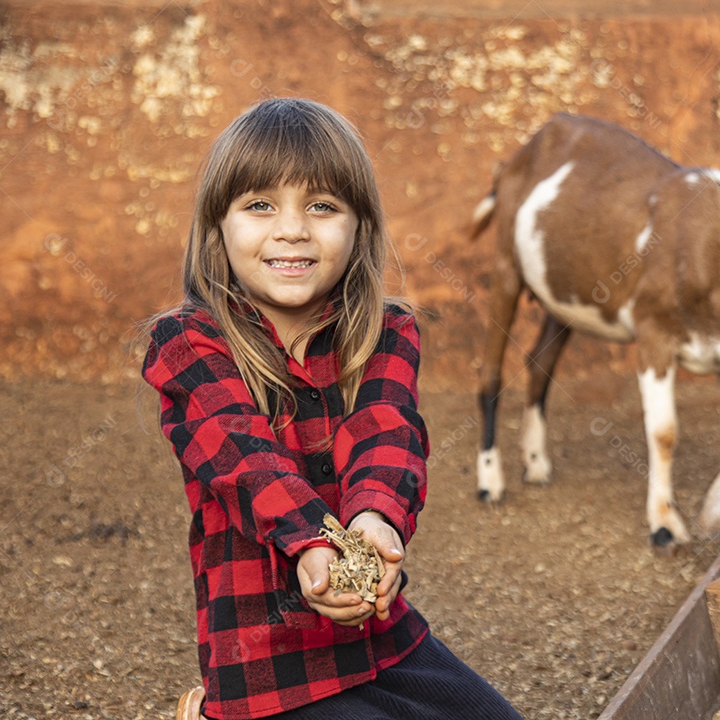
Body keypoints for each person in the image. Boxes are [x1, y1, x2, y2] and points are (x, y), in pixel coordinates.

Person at [143, 97, 522, 720]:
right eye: (260, 205)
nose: (292, 229)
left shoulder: (386, 329)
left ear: (359, 227)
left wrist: (378, 524)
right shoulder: (188, 342)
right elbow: (244, 460)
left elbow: (387, 432)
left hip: (379, 634)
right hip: (264, 664)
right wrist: (315, 546)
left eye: (321, 206)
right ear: (218, 227)